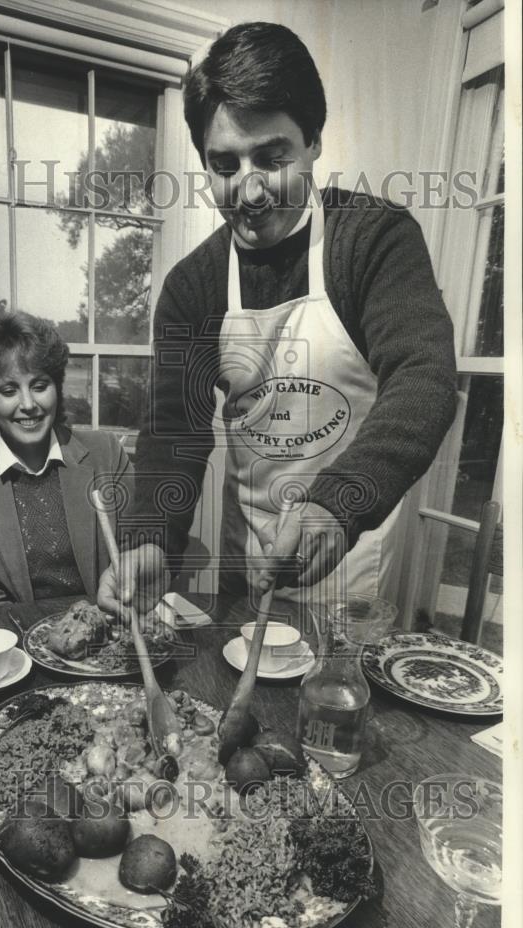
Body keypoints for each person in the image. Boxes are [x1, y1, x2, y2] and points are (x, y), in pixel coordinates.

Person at [97, 21, 456, 621]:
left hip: (352, 570)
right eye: (225, 165)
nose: (250, 189)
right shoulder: (194, 286)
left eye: (271, 157)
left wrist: (337, 506)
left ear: (313, 140)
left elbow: (424, 380)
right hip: (250, 571)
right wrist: (153, 539)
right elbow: (174, 432)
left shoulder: (374, 242)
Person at [0, 307, 130, 625]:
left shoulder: (106, 453)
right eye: (8, 390)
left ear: (56, 388)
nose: (29, 405)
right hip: (20, 650)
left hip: (110, 637)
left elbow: (138, 558)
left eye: (40, 385)